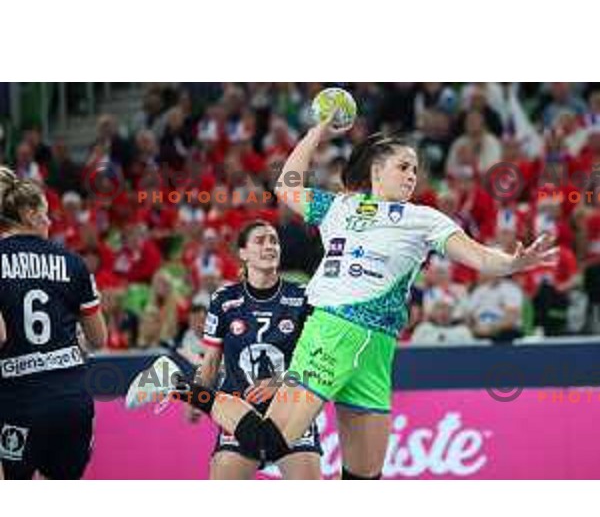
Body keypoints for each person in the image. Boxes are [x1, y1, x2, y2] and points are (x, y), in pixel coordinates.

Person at [133, 112, 557, 480]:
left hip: (378, 352)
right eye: (403, 166)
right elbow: (287, 185)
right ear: (376, 170)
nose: (412, 176)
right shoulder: (340, 208)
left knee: (365, 476)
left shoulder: (425, 219)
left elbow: (480, 257)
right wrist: (318, 129)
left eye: (416, 170)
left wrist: (513, 264)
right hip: (330, 334)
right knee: (267, 441)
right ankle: (177, 385)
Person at [130, 220, 321, 480]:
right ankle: (178, 386)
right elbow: (211, 360)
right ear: (242, 253)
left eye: (273, 241)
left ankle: (174, 384)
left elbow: (317, 363)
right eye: (260, 241)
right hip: (237, 409)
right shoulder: (225, 299)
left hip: (288, 409)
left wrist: (278, 382)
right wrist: (201, 391)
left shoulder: (303, 297)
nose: (269, 246)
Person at [0, 167, 107, 480]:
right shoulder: (73, 262)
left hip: (18, 402)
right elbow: (98, 338)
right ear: (30, 215)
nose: (51, 221)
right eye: (46, 214)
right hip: (71, 401)